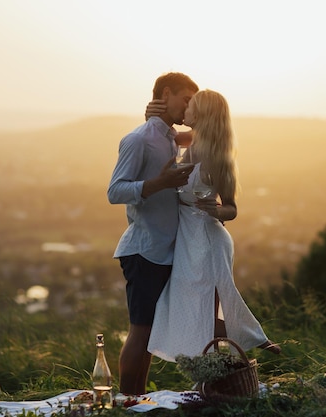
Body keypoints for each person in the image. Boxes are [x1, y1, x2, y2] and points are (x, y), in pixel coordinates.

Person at [146, 89, 281, 363]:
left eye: (191, 105)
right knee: (190, 302)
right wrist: (149, 116)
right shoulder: (190, 140)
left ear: (202, 113)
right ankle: (224, 357)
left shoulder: (218, 157)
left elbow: (232, 208)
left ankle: (240, 349)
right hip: (188, 239)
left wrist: (218, 209)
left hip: (208, 239)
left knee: (213, 300)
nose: (185, 109)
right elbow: (162, 136)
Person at [107, 72, 198, 395]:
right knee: (141, 332)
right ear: (167, 93)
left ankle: (138, 399)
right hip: (143, 250)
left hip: (165, 250)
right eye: (186, 99)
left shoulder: (171, 138)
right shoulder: (138, 139)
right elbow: (115, 191)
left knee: (150, 335)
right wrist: (161, 183)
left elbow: (209, 132)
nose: (191, 106)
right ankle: (126, 403)